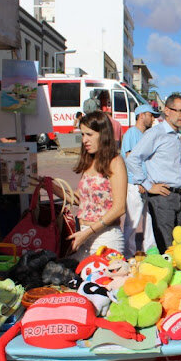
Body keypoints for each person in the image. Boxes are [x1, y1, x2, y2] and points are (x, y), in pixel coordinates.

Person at [127, 94, 181, 253]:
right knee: (166, 248)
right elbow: (133, 158)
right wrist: (147, 185)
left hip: (176, 196)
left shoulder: (176, 135)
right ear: (167, 110)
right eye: (179, 111)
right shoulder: (156, 133)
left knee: (174, 244)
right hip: (162, 197)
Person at [64, 111, 127, 260]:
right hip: (84, 236)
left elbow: (119, 208)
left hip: (106, 238)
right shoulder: (89, 161)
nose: (84, 140)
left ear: (103, 134)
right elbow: (81, 199)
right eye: (83, 135)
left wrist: (87, 232)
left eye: (89, 134)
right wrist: (48, 185)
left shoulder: (115, 162)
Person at [121, 105, 159, 257]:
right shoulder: (132, 133)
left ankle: (151, 251)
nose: (153, 118)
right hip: (135, 184)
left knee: (149, 220)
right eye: (151, 115)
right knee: (133, 222)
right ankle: (128, 254)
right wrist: (139, 181)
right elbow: (130, 159)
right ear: (142, 115)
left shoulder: (145, 135)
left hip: (146, 183)